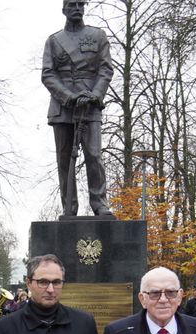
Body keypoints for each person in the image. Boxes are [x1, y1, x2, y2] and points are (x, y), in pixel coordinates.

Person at [42, 0, 114, 217]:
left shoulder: (98, 36)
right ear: (64, 9)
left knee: (94, 155)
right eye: (72, 5)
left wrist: (95, 95)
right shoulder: (54, 41)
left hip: (90, 105)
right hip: (63, 107)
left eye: (80, 5)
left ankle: (99, 203)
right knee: (64, 161)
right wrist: (70, 97)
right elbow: (48, 74)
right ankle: (69, 207)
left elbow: (105, 69)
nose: (77, 9)